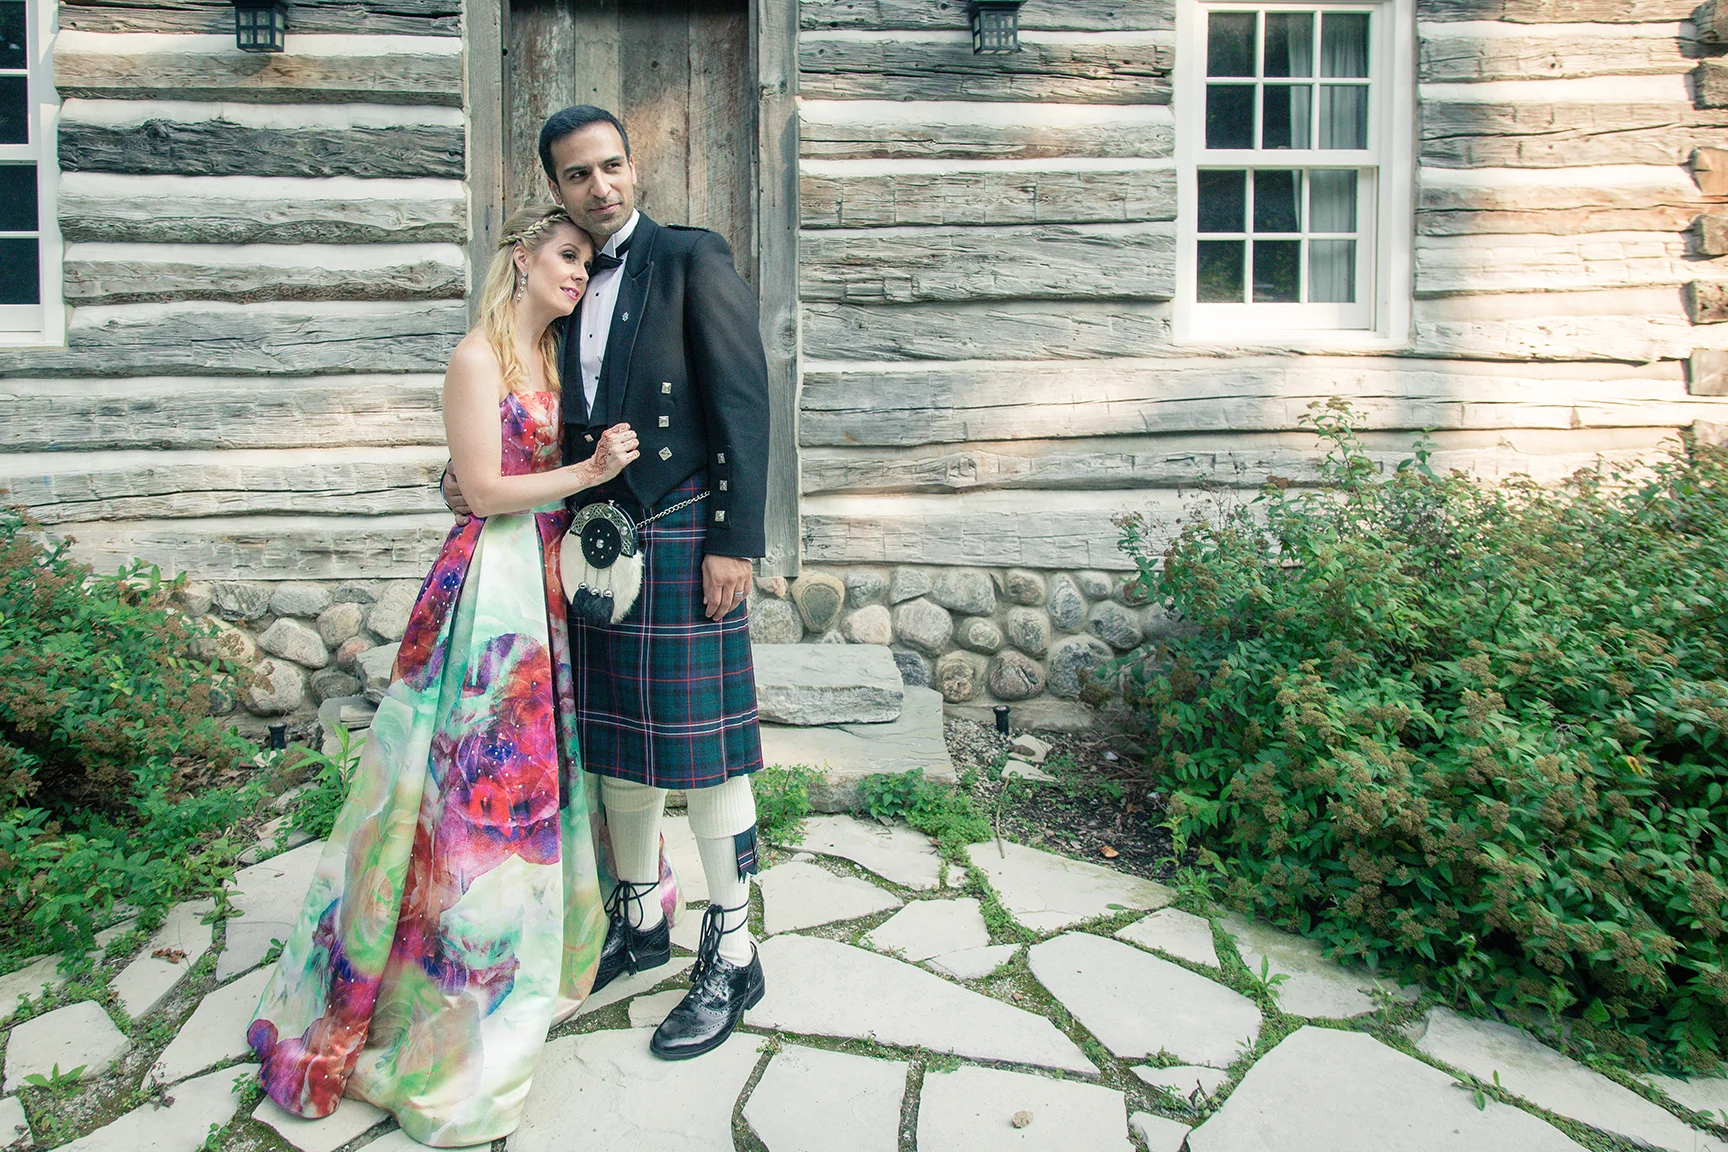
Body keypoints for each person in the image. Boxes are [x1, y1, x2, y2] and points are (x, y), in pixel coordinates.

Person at [247, 204, 665, 1147]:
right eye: (565, 256)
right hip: (494, 593)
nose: (577, 274)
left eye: (587, 264)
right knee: (471, 793)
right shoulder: (478, 358)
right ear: (520, 256)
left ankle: (529, 947)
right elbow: (478, 491)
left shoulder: (558, 363)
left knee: (547, 777)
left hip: (550, 581)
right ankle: (446, 974)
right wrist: (589, 468)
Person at [443, 104, 772, 1061]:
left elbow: (743, 403)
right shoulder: (562, 278)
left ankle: (732, 948)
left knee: (705, 752)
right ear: (557, 188)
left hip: (679, 535)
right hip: (592, 544)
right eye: (580, 174)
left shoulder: (689, 259)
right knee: (617, 745)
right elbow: (524, 408)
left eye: (613, 167)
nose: (602, 186)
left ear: (635, 168)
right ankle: (637, 920)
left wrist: (734, 539)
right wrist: (465, 477)